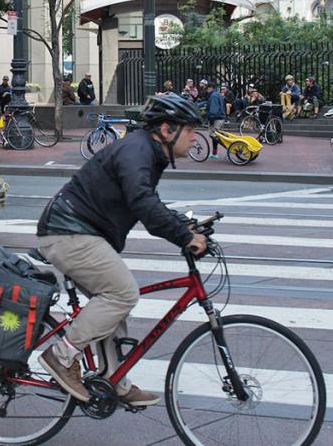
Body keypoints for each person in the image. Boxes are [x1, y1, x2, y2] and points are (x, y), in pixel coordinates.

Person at [36, 94, 207, 406]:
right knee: (122, 293)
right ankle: (61, 357)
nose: (195, 136)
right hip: (68, 232)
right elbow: (143, 203)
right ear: (167, 130)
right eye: (190, 129)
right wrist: (183, 235)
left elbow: (145, 201)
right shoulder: (138, 150)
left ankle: (116, 381)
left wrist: (186, 225)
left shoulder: (145, 150)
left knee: (114, 306)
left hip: (81, 232)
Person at [206, 81, 226, 159]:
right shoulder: (218, 94)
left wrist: (211, 119)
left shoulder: (213, 96)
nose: (206, 90)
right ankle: (214, 153)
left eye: (207, 88)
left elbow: (213, 109)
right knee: (218, 136)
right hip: (221, 117)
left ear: (210, 88)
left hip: (216, 118)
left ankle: (228, 149)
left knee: (214, 136)